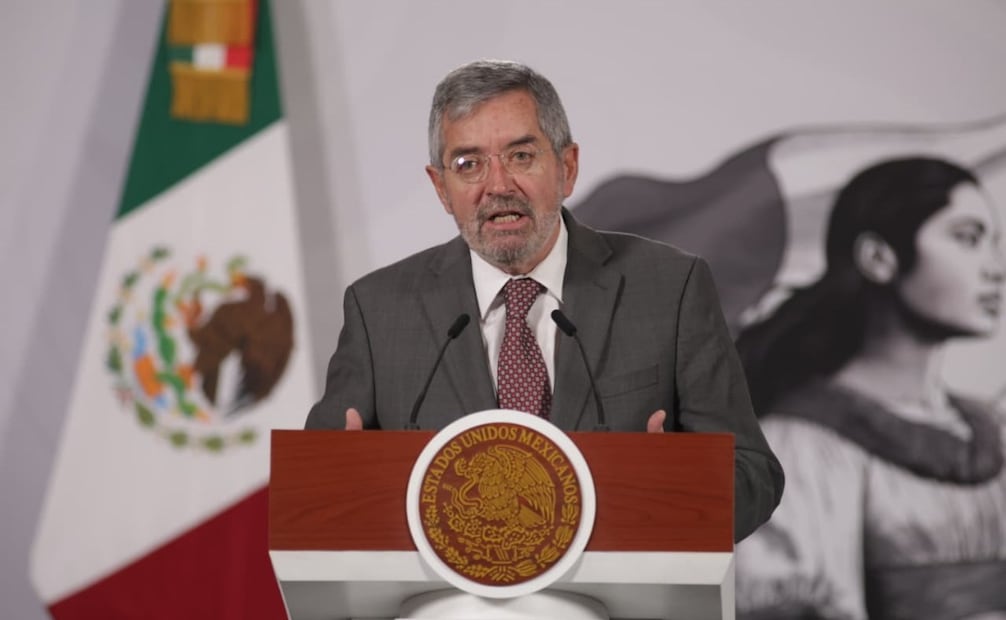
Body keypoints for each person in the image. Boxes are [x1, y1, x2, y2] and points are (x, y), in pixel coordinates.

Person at [305, 59, 783, 541]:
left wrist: (674, 492)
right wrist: (340, 486)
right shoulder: (379, 311)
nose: (497, 186)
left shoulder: (669, 289)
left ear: (567, 167)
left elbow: (753, 473)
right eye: (468, 164)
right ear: (441, 188)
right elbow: (314, 497)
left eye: (521, 156)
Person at [733, 157, 1006, 619]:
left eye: (994, 243)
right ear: (879, 258)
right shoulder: (800, 447)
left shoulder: (990, 428)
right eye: (967, 238)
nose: (995, 269)